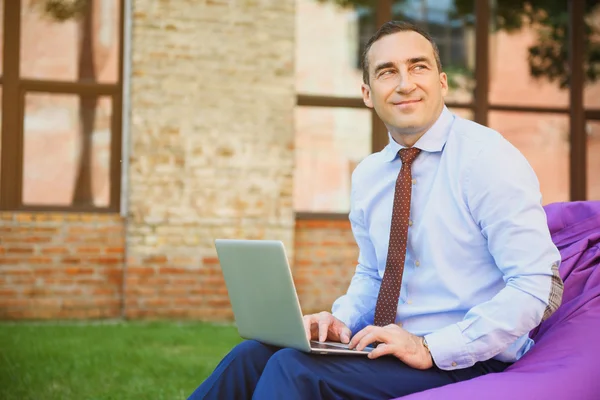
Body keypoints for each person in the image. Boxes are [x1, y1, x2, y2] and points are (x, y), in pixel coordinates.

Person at [187, 21, 563, 400]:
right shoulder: (370, 174)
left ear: (443, 83)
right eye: (387, 72)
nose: (404, 84)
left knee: (294, 371)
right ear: (368, 93)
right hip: (388, 349)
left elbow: (538, 284)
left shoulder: (487, 159)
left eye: (419, 67)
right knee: (250, 356)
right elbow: (372, 273)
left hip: (466, 359)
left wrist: (430, 348)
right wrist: (341, 322)